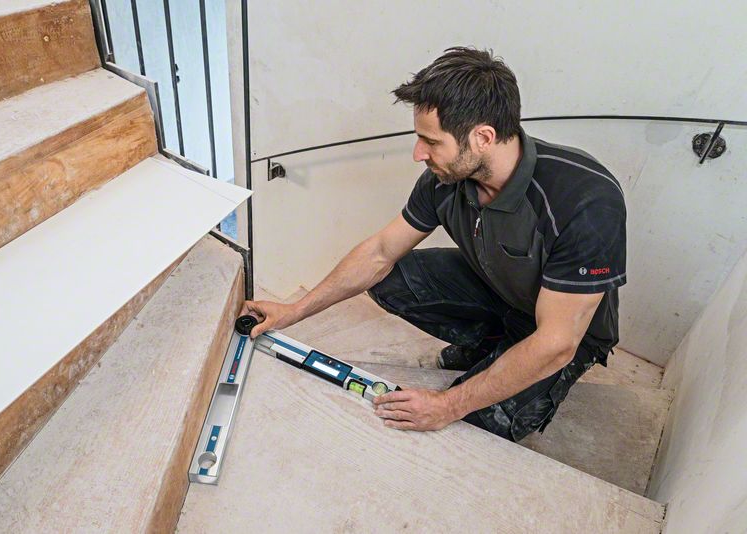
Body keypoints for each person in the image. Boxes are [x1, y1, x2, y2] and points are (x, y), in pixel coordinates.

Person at [242, 47, 627, 442]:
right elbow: (379, 253)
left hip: (566, 332)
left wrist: (449, 404)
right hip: (503, 293)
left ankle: (506, 361)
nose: (418, 154)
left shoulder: (585, 201)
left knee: (477, 426)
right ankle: (493, 344)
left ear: (482, 138)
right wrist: (294, 311)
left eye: (430, 141)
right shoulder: (444, 181)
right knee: (391, 278)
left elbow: (557, 342)